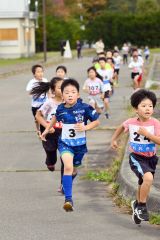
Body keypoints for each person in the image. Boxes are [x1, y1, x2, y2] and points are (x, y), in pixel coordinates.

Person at [41, 79, 100, 212]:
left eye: (73, 92)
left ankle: (67, 182)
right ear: (62, 95)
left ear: (78, 94)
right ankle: (68, 199)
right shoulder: (60, 108)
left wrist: (85, 127)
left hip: (79, 146)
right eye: (66, 92)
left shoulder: (85, 108)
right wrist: (46, 129)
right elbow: (55, 118)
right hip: (65, 143)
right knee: (68, 166)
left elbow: (96, 122)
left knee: (73, 169)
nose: (70, 94)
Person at [111, 89, 160, 224]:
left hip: (151, 158)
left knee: (142, 182)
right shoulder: (131, 122)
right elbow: (121, 127)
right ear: (135, 109)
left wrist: (148, 134)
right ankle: (142, 207)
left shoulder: (155, 123)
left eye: (150, 106)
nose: (147, 109)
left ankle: (137, 205)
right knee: (148, 178)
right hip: (136, 157)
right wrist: (114, 139)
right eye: (143, 106)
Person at [31, 77, 64, 175]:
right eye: (59, 87)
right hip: (50, 133)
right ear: (53, 90)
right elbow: (38, 115)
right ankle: (50, 162)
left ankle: (64, 184)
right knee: (51, 152)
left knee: (65, 158)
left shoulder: (69, 101)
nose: (63, 89)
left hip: (64, 133)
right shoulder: (49, 102)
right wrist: (47, 126)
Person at [26, 64, 48, 137]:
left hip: (44, 104)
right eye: (38, 72)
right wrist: (37, 91)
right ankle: (38, 129)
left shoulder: (45, 80)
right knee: (37, 119)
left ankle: (43, 132)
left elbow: (49, 91)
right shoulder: (32, 82)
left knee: (43, 118)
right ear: (34, 74)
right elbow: (29, 92)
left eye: (41, 71)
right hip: (35, 105)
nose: (40, 73)